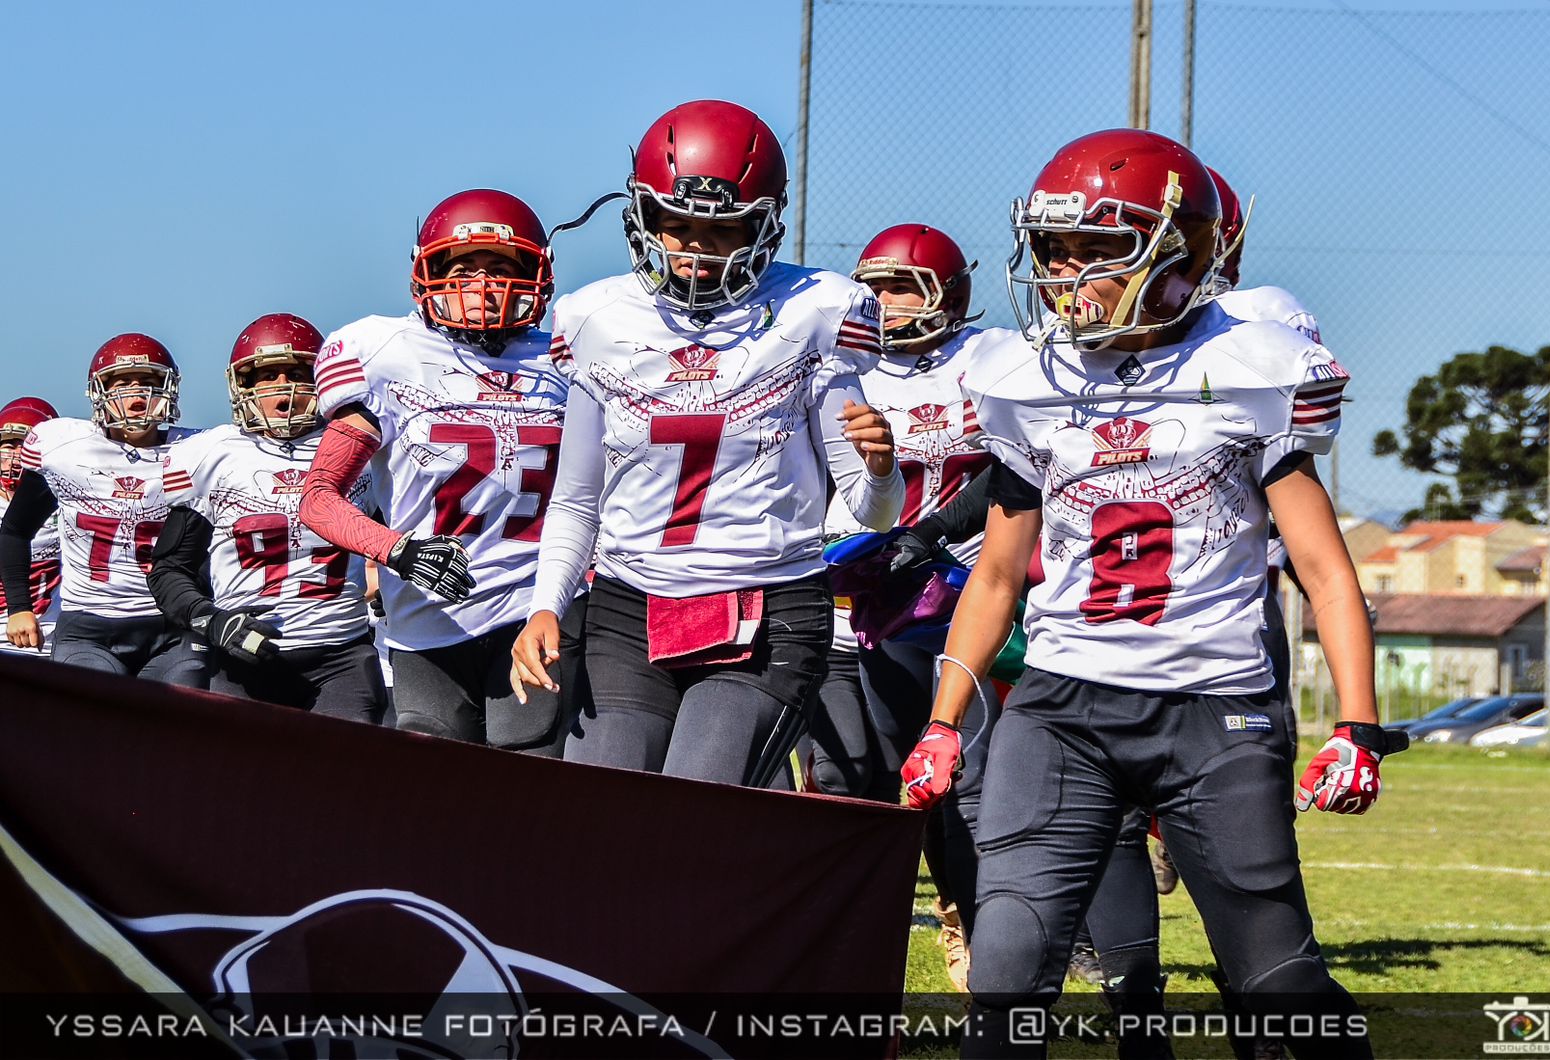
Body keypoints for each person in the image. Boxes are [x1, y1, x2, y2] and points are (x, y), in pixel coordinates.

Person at [902, 129, 1401, 1059]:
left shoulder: (1255, 368)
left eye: (1099, 250)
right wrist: (944, 717)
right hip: (1059, 707)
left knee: (1277, 981)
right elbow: (1001, 573)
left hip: (1212, 710)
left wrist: (1358, 726)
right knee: (1008, 971)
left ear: (1179, 253)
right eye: (1056, 251)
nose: (1066, 276)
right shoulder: (1023, 380)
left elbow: (1326, 570)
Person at [511, 99, 905, 789]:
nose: (694, 249)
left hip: (768, 609)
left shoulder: (816, 311)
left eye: (722, 231)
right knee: (599, 813)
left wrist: (880, 469)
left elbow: (874, 514)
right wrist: (546, 603)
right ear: (642, 219)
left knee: (695, 798)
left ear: (764, 227)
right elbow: (576, 500)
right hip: (631, 610)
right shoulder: (596, 318)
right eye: (676, 226)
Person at [299, 188, 583, 754]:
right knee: (433, 784)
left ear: (535, 275)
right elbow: (319, 498)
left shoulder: (563, 356)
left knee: (525, 771)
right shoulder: (386, 352)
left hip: (534, 604)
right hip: (425, 617)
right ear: (426, 274)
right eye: (464, 267)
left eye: (502, 267)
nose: (483, 285)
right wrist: (396, 550)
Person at [816, 223, 1004, 990]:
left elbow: (1015, 472)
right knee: (847, 784)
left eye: (901, 286)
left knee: (963, 782)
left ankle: (969, 914)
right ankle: (853, 961)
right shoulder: (834, 366)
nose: (883, 303)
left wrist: (931, 538)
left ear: (950, 295)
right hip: (849, 604)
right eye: (875, 286)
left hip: (953, 595)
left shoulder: (992, 363)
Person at [147, 313, 385, 722]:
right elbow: (168, 570)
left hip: (341, 654)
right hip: (245, 656)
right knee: (241, 781)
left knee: (346, 774)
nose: (284, 391)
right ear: (242, 386)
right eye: (267, 377)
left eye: (297, 374)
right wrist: (212, 620)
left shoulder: (359, 452)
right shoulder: (213, 456)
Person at [0, 335, 207, 685]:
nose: (136, 394)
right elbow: (15, 530)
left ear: (169, 388)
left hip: (174, 625)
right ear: (99, 391)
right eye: (122, 383)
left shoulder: (200, 451)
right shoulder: (64, 449)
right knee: (87, 729)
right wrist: (20, 607)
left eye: (149, 382)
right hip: (89, 626)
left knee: (180, 729)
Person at [0, 397, 62, 655]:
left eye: (24, 445)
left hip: (49, 634)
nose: (15, 455)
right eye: (8, 444)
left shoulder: (67, 499)